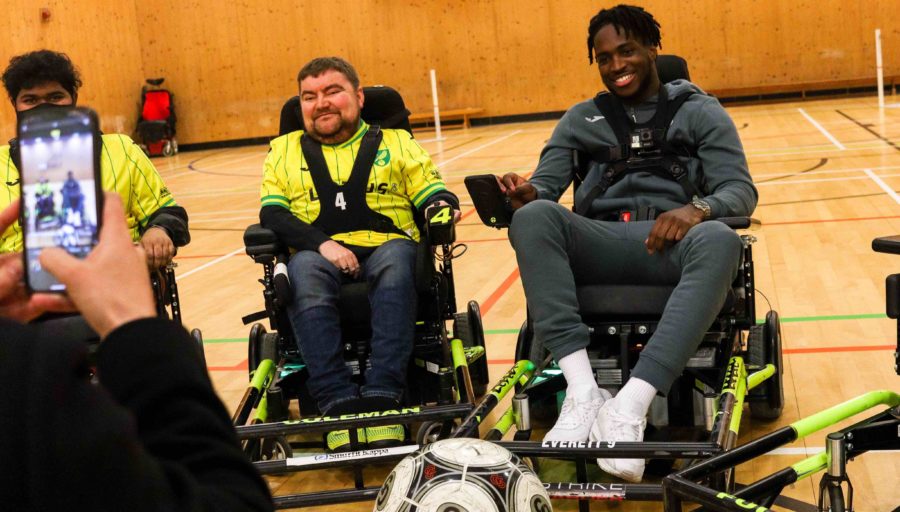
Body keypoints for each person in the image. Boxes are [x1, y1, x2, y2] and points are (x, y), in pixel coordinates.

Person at [496, 4, 757, 482]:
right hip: (600, 241)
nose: (616, 66)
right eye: (604, 58)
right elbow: (546, 188)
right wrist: (527, 193)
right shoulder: (580, 119)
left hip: (670, 245)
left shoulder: (700, 111)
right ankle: (582, 392)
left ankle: (630, 405)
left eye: (627, 51)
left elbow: (739, 190)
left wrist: (696, 209)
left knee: (721, 239)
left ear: (652, 48)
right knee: (533, 219)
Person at [0, 194, 273, 511]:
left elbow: (167, 210)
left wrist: (160, 229)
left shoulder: (126, 155)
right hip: (87, 301)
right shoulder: (31, 375)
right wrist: (136, 327)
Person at [259, 57, 459, 452]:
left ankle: (384, 396)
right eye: (309, 97)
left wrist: (441, 205)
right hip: (318, 255)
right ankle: (336, 404)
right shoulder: (283, 150)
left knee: (398, 262)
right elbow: (273, 212)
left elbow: (431, 190)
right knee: (304, 272)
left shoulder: (396, 142)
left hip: (388, 247)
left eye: (333, 91)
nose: (321, 103)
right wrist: (325, 244)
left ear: (359, 97)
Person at [0, 49, 189, 268]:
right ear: (15, 104)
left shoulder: (121, 150)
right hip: (24, 288)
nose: (44, 107)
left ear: (73, 98)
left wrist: (159, 230)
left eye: (55, 97)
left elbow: (167, 213)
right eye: (31, 100)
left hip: (114, 280)